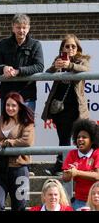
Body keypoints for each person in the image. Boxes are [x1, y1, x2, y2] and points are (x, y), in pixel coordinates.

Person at [42, 34, 90, 176]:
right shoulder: (58, 60)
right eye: (67, 46)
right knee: (63, 139)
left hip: (76, 108)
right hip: (60, 109)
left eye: (73, 46)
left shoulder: (82, 60)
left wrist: (70, 65)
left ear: (78, 48)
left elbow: (85, 69)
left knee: (79, 139)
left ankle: (80, 168)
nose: (70, 49)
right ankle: (60, 166)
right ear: (62, 48)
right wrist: (54, 67)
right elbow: (46, 73)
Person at [0, 92, 35, 211]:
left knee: (20, 206)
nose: (10, 108)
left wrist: (7, 142)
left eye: (14, 105)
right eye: (7, 105)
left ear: (20, 106)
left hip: (20, 169)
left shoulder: (27, 122)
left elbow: (27, 142)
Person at [0, 13, 44, 112]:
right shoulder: (3, 44)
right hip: (7, 95)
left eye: (24, 27)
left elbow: (39, 66)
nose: (21, 30)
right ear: (13, 28)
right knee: (7, 126)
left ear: (28, 28)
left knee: (27, 127)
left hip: (27, 96)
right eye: (18, 27)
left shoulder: (35, 45)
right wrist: (4, 68)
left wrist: (18, 71)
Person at [62, 119, 99, 210]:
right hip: (79, 201)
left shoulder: (97, 153)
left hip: (96, 200)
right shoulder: (72, 154)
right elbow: (65, 178)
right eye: (78, 137)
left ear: (92, 140)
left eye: (84, 137)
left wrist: (77, 172)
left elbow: (97, 176)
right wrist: (69, 173)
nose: (80, 139)